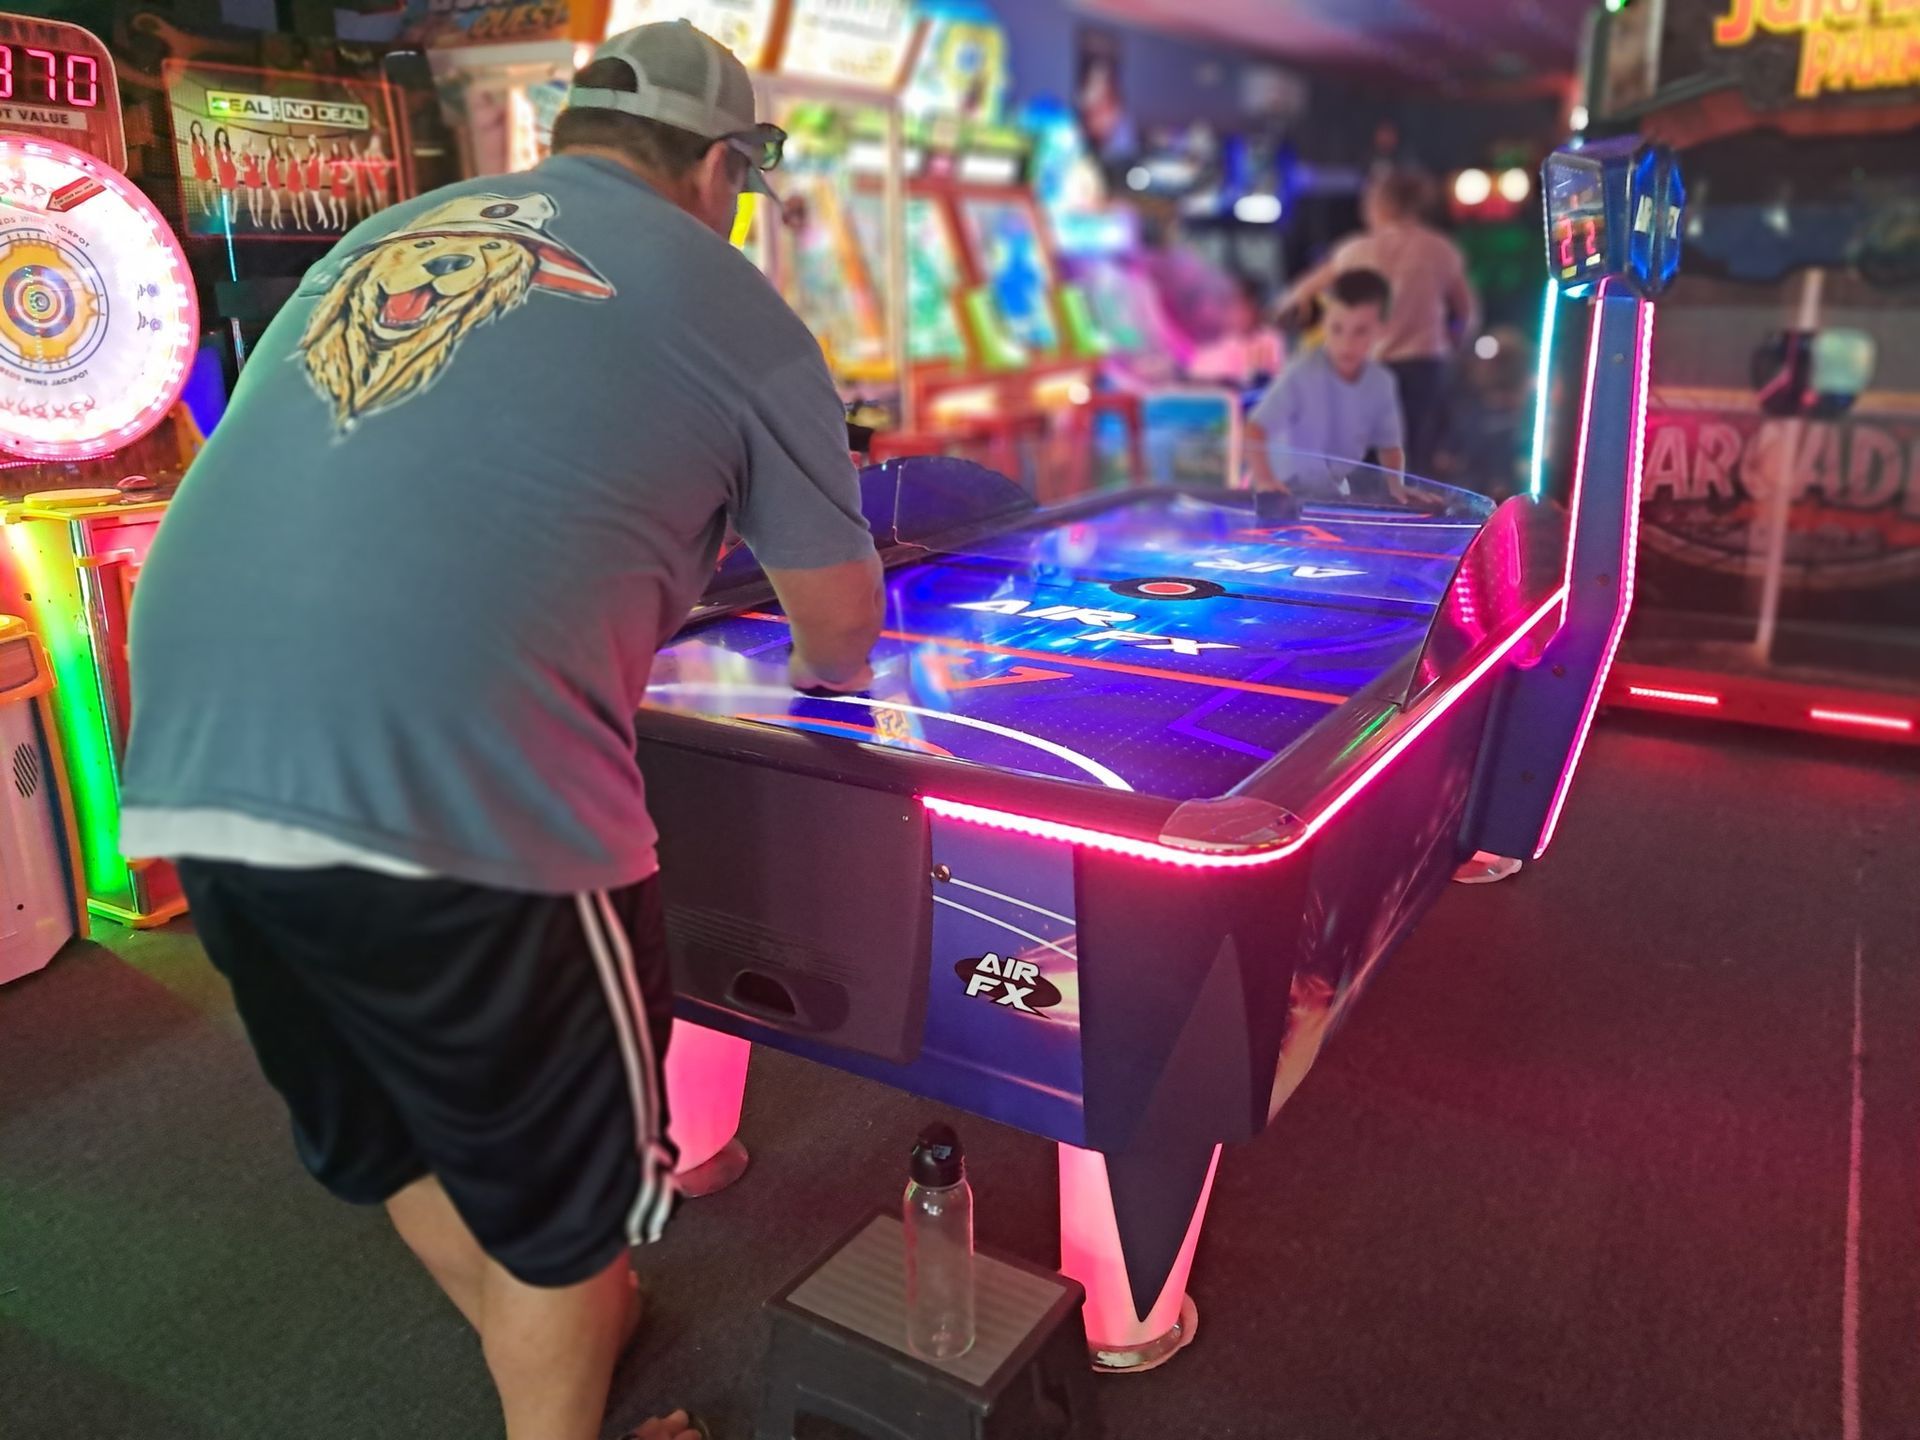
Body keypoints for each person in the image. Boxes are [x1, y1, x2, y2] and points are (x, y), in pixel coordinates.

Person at [119, 21, 882, 1440]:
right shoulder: (734, 299)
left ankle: (565, 1331)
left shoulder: (392, 227)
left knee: (390, 1131)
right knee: (566, 1211)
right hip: (468, 790)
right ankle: (564, 1338)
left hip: (184, 766)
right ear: (719, 165)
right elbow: (840, 636)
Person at [1277, 169, 1478, 479]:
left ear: (1378, 205)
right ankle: (1412, 525)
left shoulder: (1355, 251)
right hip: (1424, 368)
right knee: (1416, 466)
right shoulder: (1440, 249)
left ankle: (1369, 523)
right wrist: (1452, 347)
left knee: (1364, 468)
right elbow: (1467, 314)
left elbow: (1298, 296)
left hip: (1366, 369)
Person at [1246, 268, 1421, 507]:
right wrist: (1266, 481)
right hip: (1284, 490)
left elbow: (1389, 445)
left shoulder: (1381, 383)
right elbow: (1255, 428)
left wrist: (1396, 486)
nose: (1346, 343)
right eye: (1337, 329)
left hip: (1332, 493)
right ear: (1325, 324)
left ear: (1381, 330)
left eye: (1360, 331)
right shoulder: (1303, 372)